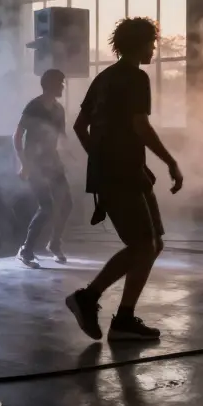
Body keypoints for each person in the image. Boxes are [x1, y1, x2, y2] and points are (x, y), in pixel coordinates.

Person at [65, 17, 183, 342]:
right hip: (121, 175)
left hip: (124, 172)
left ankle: (124, 318)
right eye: (152, 44)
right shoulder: (135, 78)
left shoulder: (103, 78)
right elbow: (140, 126)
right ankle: (88, 298)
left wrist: (101, 161)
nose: (154, 49)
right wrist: (171, 161)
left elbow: (79, 127)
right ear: (141, 44)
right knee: (144, 245)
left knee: (153, 244)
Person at [14, 68, 72, 268]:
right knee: (46, 207)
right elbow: (17, 136)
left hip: (53, 162)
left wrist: (68, 155)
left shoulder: (58, 109)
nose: (63, 86)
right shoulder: (34, 107)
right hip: (35, 163)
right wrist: (24, 163)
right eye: (60, 83)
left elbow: (61, 136)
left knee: (66, 204)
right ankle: (26, 250)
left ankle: (54, 244)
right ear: (51, 85)